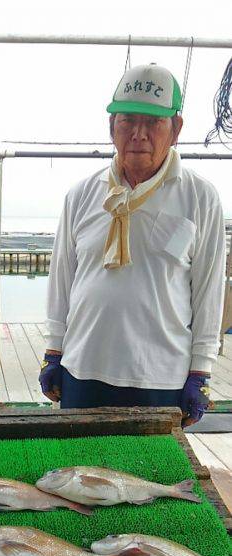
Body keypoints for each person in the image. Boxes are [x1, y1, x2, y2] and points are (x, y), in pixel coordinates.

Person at [39, 63, 226, 427]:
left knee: (156, 478)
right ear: (112, 127)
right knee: (77, 477)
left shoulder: (200, 198)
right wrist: (53, 350)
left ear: (175, 129)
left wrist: (200, 371)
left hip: (161, 377)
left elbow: (208, 291)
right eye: (128, 120)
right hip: (82, 369)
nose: (139, 134)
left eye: (154, 122)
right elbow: (61, 279)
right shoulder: (81, 194)